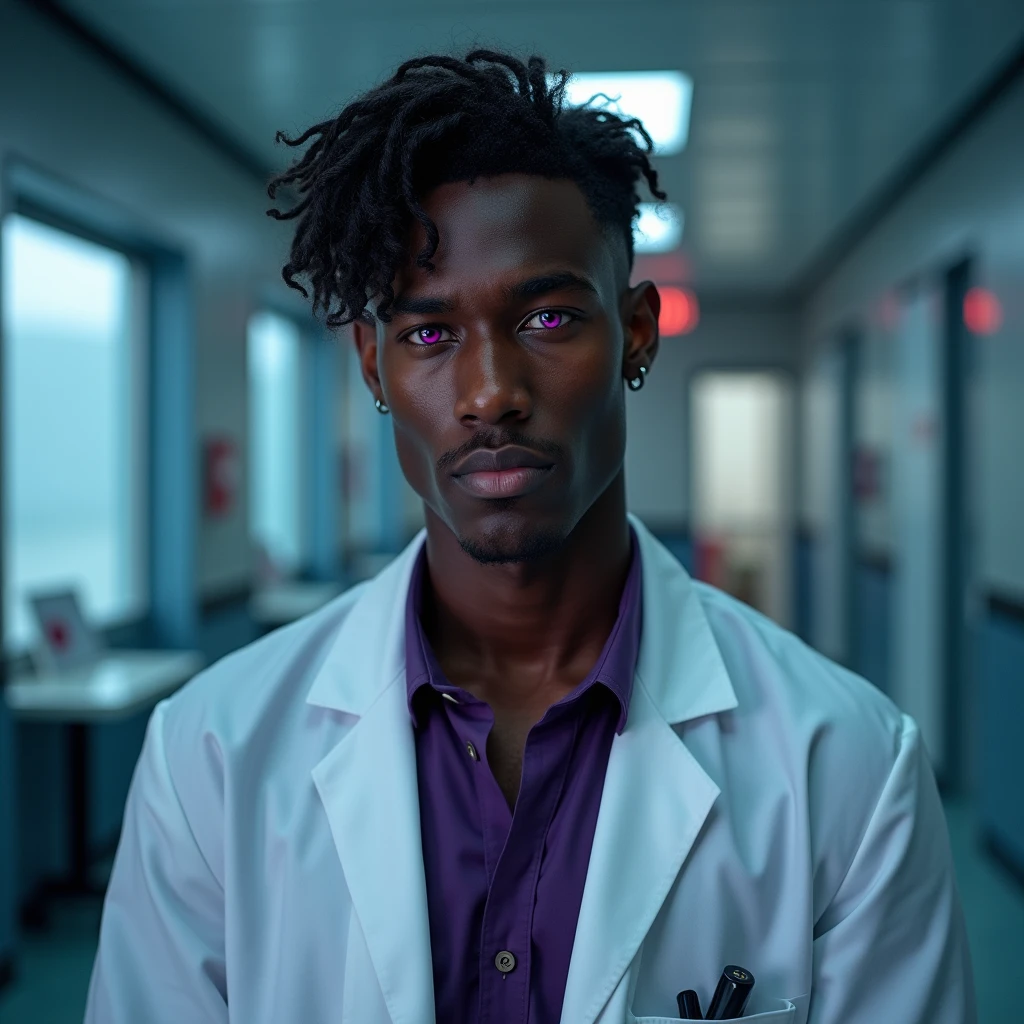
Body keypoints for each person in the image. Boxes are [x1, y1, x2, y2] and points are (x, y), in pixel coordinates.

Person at [85, 51, 976, 1024]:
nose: (489, 394)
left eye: (548, 316)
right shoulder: (211, 755)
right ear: (371, 367)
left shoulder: (847, 764)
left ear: (637, 332)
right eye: (428, 334)